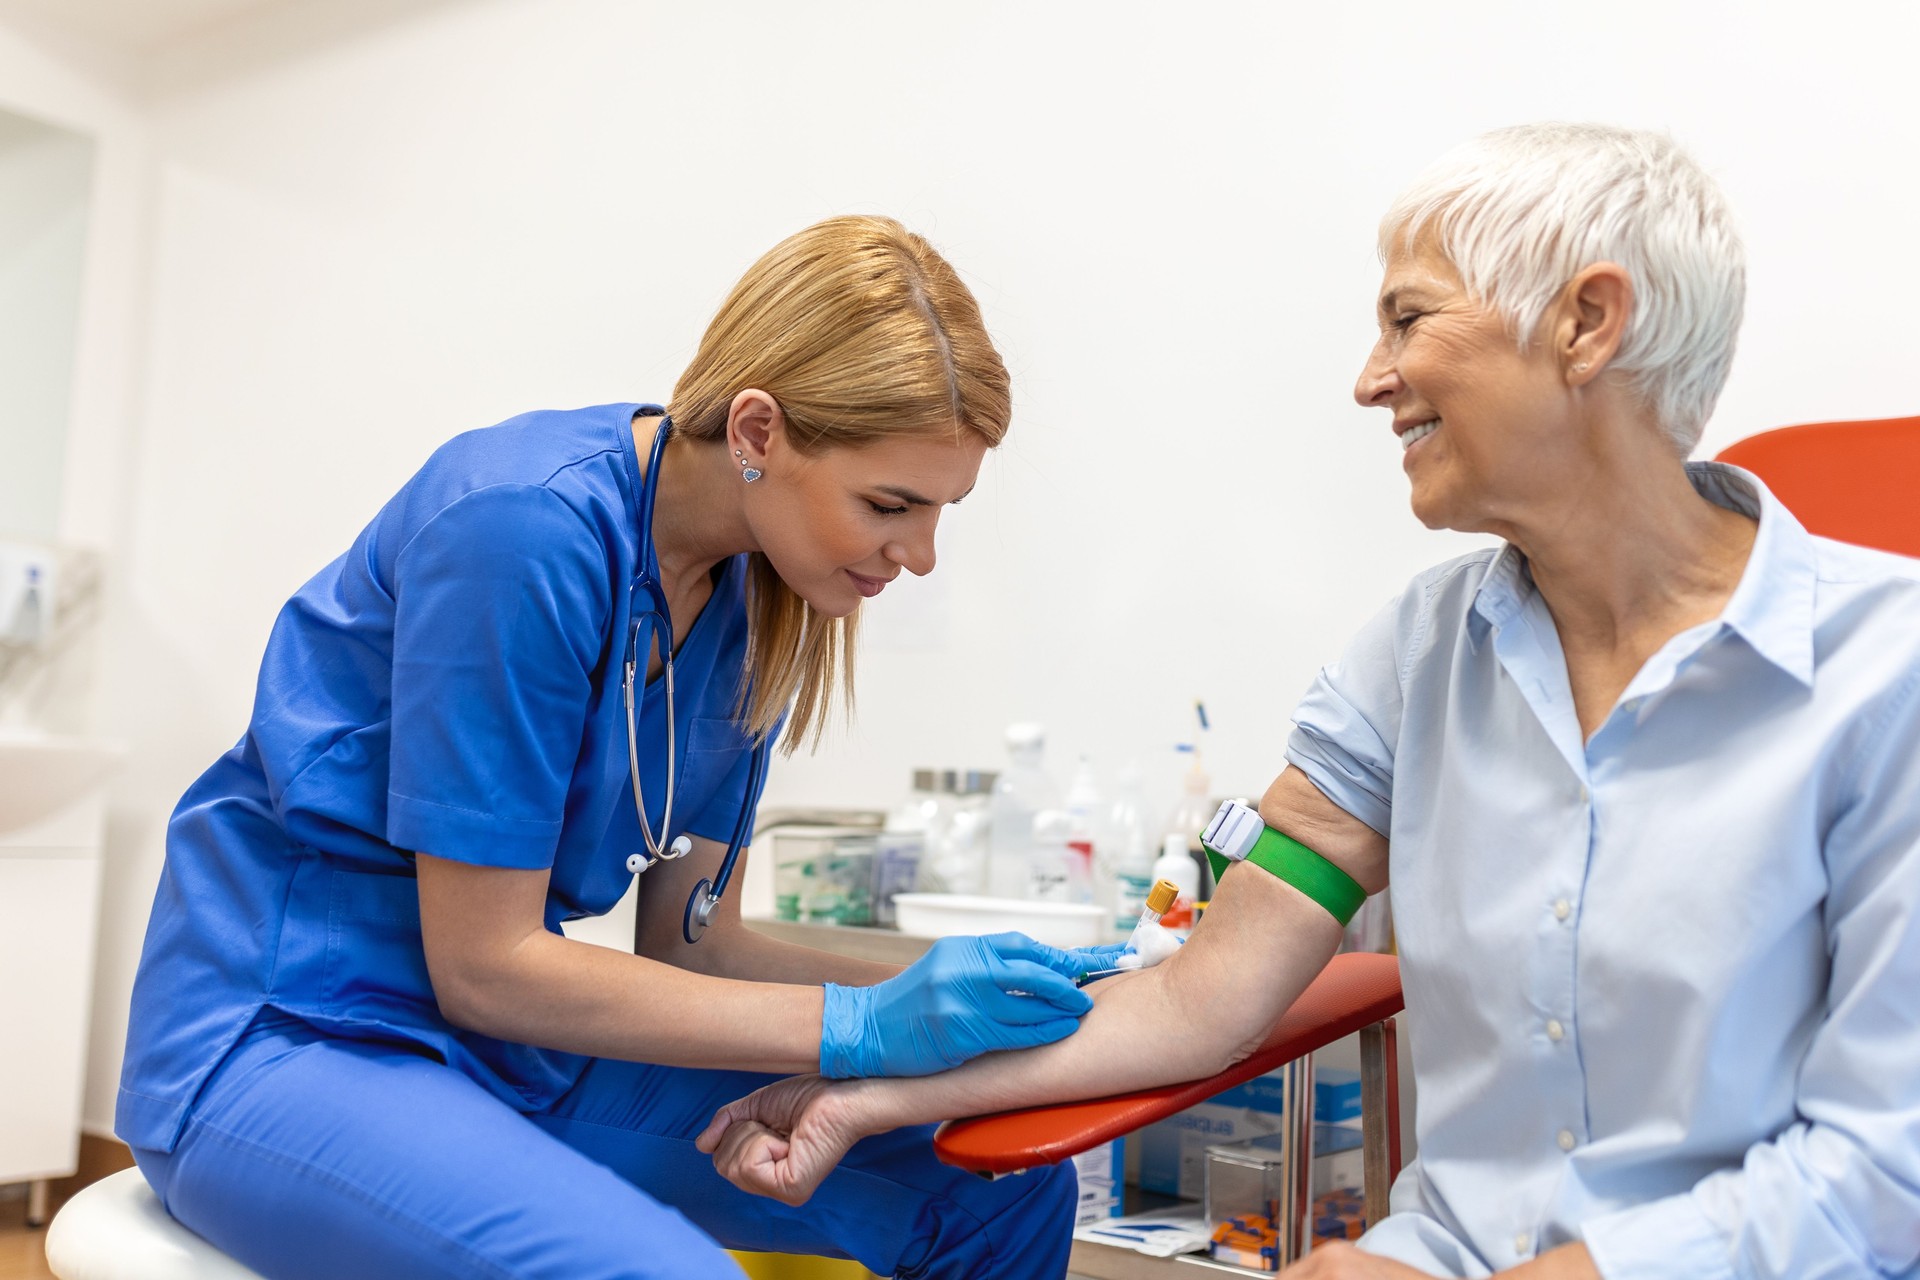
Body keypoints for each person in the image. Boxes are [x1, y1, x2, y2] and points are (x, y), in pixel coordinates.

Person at [697, 126, 1920, 1279]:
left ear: (1587, 323)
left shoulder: (1889, 672)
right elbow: (1197, 992)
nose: (1368, 378)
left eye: (1408, 317)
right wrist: (867, 1095)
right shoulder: (1421, 652)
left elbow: (1883, 1174)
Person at [117, 215, 1116, 1279]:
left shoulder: (753, 597)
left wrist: (957, 996)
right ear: (758, 431)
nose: (917, 555)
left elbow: (696, 946)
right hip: (290, 1036)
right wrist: (865, 1023)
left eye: (940, 512)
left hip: (506, 1051)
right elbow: (487, 966)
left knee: (995, 1181)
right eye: (890, 504)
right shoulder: (523, 529)